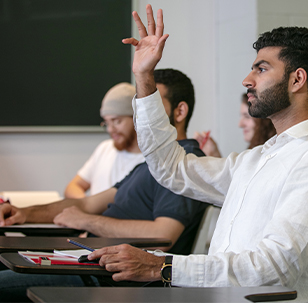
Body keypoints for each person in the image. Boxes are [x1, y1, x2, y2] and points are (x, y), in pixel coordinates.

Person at [89, 5, 308, 303]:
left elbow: (275, 269)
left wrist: (163, 266)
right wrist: (143, 76)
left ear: (297, 80)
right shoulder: (259, 158)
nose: (247, 79)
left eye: (261, 68)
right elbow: (170, 168)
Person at [0, 68, 209, 301]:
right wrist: (22, 214)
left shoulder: (187, 163)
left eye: (154, 105)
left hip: (107, 279)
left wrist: (88, 222)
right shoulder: (151, 164)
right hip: (88, 263)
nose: (143, 115)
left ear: (180, 112)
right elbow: (88, 203)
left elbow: (164, 234)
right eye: (141, 106)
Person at [64, 83, 145, 199]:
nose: (110, 129)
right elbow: (73, 186)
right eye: (106, 123)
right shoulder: (105, 149)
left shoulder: (151, 161)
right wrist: (89, 205)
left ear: (136, 118)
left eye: (116, 121)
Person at [194, 93, 276, 157]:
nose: (240, 124)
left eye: (247, 117)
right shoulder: (253, 154)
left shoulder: (273, 155)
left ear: (265, 119)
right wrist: (214, 154)